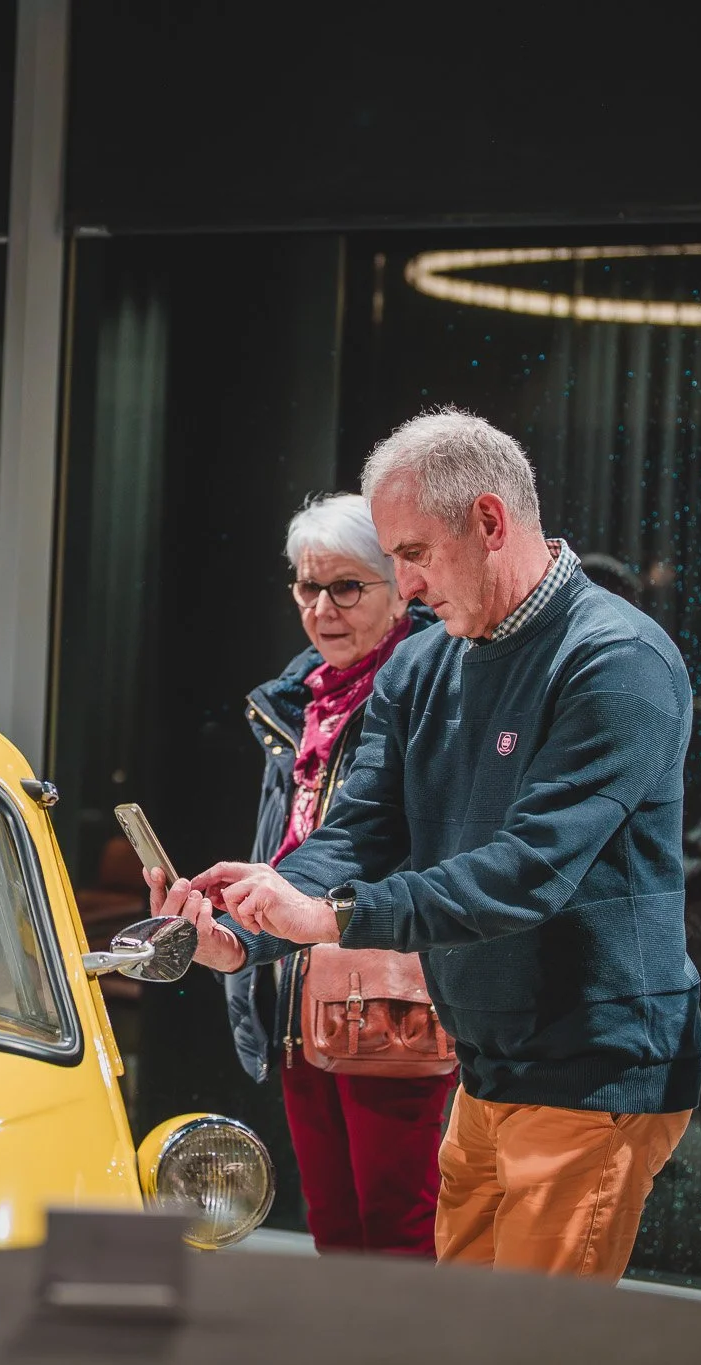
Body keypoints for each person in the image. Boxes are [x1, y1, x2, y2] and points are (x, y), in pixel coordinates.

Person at [151, 407, 701, 1278]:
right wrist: (248, 926)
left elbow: (527, 872)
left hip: (594, 1069)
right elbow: (363, 831)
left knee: (526, 1337)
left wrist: (332, 915)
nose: (403, 585)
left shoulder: (617, 660)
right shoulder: (423, 664)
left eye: (413, 553)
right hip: (486, 1066)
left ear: (489, 521)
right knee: (454, 1325)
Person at [215, 492, 454, 1256]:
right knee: (332, 1225)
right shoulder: (301, 698)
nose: (322, 609)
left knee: (399, 1224)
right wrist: (233, 914)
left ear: (400, 589)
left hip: (389, 988)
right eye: (307, 586)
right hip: (293, 982)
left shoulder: (432, 683)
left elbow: (392, 844)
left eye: (346, 586)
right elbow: (292, 839)